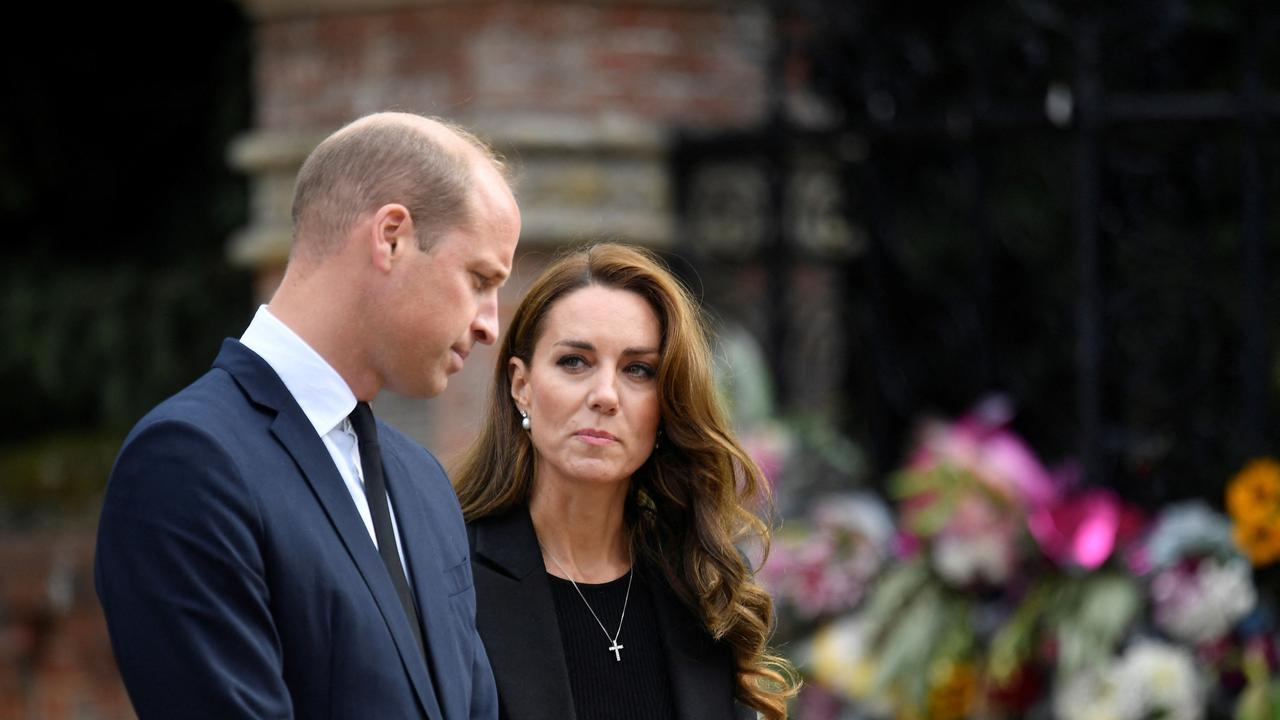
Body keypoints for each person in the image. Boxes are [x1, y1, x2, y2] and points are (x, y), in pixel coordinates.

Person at [94, 111, 520, 719]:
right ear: (392, 236)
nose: (489, 325)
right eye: (480, 278)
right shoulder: (187, 462)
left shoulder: (424, 482)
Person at [452, 243, 798, 720]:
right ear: (521, 386)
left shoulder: (699, 581)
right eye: (575, 361)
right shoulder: (450, 576)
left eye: (638, 370)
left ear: (666, 405)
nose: (605, 395)